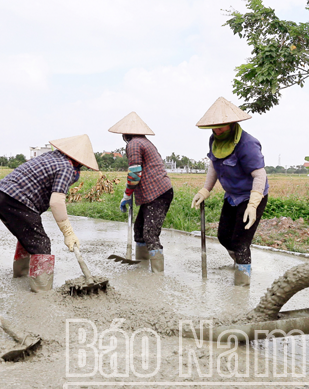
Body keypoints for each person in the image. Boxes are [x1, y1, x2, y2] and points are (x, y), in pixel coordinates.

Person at [0, 135, 98, 292]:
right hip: (16, 199)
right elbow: (56, 202)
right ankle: (41, 292)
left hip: (0, 194)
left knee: (27, 237)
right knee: (41, 244)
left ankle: (20, 276)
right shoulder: (66, 168)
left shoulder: (52, 156)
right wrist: (68, 232)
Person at [190, 97, 269, 286]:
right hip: (232, 196)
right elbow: (214, 165)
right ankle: (240, 265)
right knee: (224, 237)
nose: (217, 131)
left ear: (232, 124)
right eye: (214, 128)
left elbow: (260, 175)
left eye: (222, 127)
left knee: (241, 243)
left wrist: (253, 204)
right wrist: (205, 189)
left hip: (251, 196)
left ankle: (242, 287)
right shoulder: (214, 140)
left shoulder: (247, 144)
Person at [108, 112, 173, 272]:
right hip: (153, 194)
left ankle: (157, 277)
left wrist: (127, 194)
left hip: (157, 193)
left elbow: (135, 173)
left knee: (150, 234)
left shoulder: (134, 144)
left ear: (125, 133)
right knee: (139, 230)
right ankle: (141, 268)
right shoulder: (144, 141)